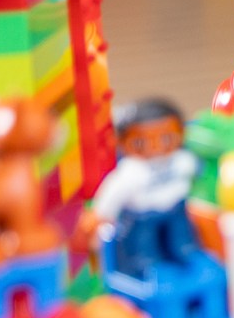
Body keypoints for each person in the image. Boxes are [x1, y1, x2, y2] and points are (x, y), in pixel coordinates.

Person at [75, 98, 200, 278]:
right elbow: (113, 195)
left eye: (166, 138)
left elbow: (196, 176)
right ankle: (147, 268)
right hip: (142, 220)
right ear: (122, 142)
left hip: (177, 213)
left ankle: (187, 255)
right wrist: (99, 217)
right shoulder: (131, 172)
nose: (156, 147)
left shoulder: (181, 160)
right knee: (143, 248)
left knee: (182, 239)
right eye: (141, 142)